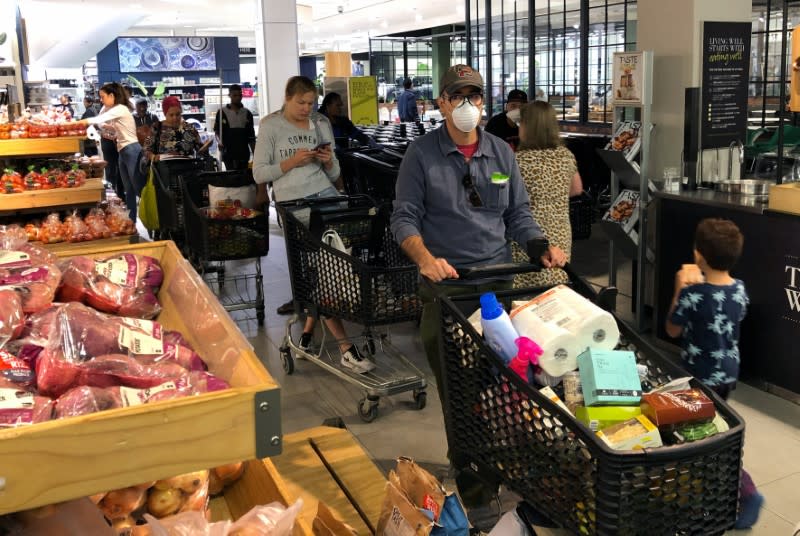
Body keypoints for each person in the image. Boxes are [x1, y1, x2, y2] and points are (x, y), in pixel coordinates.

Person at [390, 64, 566, 507]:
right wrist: (426, 259)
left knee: (510, 379)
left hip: (497, 282)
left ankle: (515, 459)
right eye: (458, 96)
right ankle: (472, 471)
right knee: (460, 386)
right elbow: (403, 216)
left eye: (476, 95)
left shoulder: (501, 154)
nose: (468, 104)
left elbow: (517, 213)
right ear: (443, 103)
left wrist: (539, 244)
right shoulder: (422, 155)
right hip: (448, 288)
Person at [253, 75, 375, 374]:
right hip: (295, 205)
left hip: (328, 198)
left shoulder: (321, 123)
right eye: (301, 102)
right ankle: (346, 348)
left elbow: (334, 172)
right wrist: (292, 162)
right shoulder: (271, 126)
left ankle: (307, 336)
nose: (307, 108)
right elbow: (259, 173)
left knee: (330, 265)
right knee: (326, 267)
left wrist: (327, 158)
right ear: (287, 97)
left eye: (311, 102)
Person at [665, 218, 763, 530]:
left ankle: (744, 491)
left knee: (709, 439)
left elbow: (672, 328)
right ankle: (711, 492)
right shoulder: (739, 290)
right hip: (727, 373)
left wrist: (680, 287)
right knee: (713, 430)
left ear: (699, 256)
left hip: (699, 377)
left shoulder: (694, 295)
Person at [511, 101, 583, 288]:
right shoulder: (566, 155)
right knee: (557, 285)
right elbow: (577, 189)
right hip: (560, 232)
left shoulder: (517, 160)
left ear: (528, 126)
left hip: (528, 234)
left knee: (527, 289)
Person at [76, 82, 142, 221]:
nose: (101, 100)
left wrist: (73, 123)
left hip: (131, 149)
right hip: (123, 150)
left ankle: (151, 218)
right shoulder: (115, 108)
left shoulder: (120, 108)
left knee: (139, 188)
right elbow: (102, 121)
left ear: (112, 95)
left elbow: (98, 119)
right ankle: (132, 221)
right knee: (128, 189)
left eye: (103, 96)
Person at [144, 96, 210, 162]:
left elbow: (199, 150)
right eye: (171, 115)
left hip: (189, 167)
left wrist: (205, 147)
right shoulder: (156, 127)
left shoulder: (189, 128)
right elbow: (146, 149)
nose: (175, 118)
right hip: (164, 169)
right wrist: (153, 157)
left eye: (178, 114)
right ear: (165, 114)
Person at [214, 84, 256, 171]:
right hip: (228, 154)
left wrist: (256, 155)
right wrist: (219, 142)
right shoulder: (222, 113)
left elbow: (251, 137)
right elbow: (217, 132)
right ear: (229, 95)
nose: (238, 97)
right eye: (235, 95)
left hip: (243, 154)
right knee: (232, 179)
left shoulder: (247, 113)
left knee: (243, 181)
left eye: (240, 95)